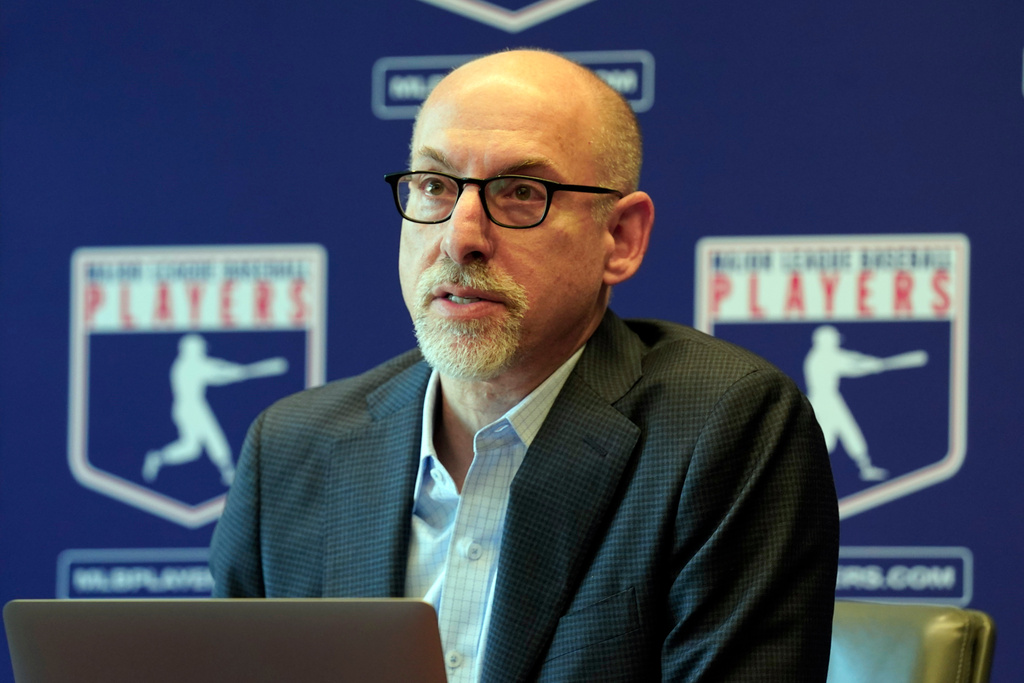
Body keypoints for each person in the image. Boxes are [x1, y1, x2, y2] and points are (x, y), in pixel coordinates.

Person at [210, 49, 839, 682]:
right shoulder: (291, 449)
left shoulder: (724, 430)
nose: (460, 237)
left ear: (620, 238)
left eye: (519, 194)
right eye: (434, 186)